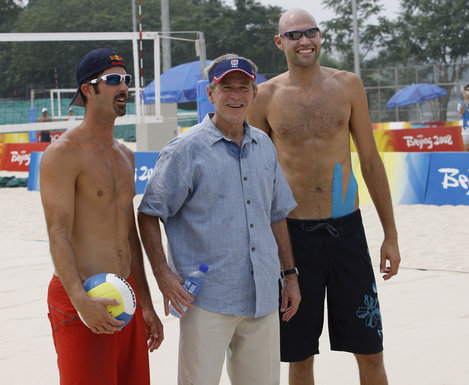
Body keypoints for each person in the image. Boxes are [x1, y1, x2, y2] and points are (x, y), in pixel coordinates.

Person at [247, 9, 401, 385]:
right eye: (295, 35)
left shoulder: (348, 85)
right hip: (294, 238)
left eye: (311, 33)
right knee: (299, 356)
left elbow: (369, 160)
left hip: (347, 231)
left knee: (371, 349)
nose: (305, 41)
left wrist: (390, 235)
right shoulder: (265, 97)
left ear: (321, 36)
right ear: (279, 41)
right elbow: (252, 177)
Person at [138, 53, 301, 385]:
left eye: (244, 87)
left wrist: (290, 275)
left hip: (263, 295)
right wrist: (164, 276)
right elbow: (149, 213)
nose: (236, 95)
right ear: (210, 94)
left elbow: (277, 214)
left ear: (255, 95)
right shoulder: (184, 149)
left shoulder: (264, 146)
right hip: (207, 299)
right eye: (226, 87)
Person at [40, 48, 163, 385]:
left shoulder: (125, 155)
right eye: (112, 81)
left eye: (126, 80)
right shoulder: (62, 154)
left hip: (126, 295)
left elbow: (128, 235)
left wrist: (146, 304)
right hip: (81, 296)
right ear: (88, 89)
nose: (123, 88)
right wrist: (81, 300)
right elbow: (57, 232)